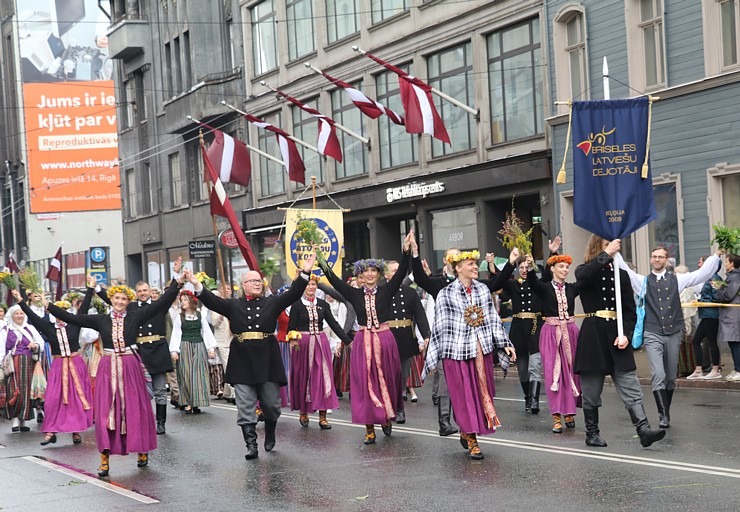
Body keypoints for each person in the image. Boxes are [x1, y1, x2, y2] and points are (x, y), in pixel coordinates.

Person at [46, 276, 185, 477]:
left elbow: (161, 303)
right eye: (116, 298)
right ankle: (104, 460)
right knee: (106, 410)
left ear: (128, 301)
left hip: (130, 365)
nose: (119, 302)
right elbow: (74, 318)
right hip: (108, 366)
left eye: (123, 299)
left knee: (135, 407)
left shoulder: (135, 317)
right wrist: (48, 305)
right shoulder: (101, 320)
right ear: (111, 299)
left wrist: (177, 284)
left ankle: (141, 449)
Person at [186, 252, 316, 460]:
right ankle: (251, 444)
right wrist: (196, 284)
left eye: (259, 280)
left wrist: (305, 273)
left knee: (272, 404)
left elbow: (292, 294)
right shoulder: (233, 305)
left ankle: (271, 429)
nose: (257, 283)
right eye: (252, 281)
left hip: (267, 358)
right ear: (243, 284)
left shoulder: (271, 302)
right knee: (245, 405)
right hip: (242, 359)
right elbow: (212, 302)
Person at [318, 232, 414, 445]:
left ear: (379, 274)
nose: (370, 275)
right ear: (360, 276)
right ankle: (369, 427)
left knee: (389, 378)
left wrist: (406, 251)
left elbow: (401, 274)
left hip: (385, 339)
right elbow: (333, 279)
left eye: (373, 271)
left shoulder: (388, 290)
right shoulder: (353, 294)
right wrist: (319, 257)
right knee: (364, 382)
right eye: (366, 272)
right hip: (363, 340)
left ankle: (387, 414)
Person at [574, 236, 666, 448]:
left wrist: (626, 333)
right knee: (591, 389)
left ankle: (643, 429)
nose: (612, 249)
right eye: (606, 245)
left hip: (617, 335)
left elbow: (630, 311)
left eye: (612, 246)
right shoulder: (585, 270)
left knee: (629, 383)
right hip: (593, 334)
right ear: (598, 248)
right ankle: (592, 432)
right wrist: (606, 255)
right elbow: (583, 277)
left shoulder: (621, 275)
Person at [424, 249, 515, 460]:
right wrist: (434, 353)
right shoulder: (446, 293)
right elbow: (440, 326)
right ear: (458, 268)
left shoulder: (483, 289)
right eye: (470, 264)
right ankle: (472, 439)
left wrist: (505, 343)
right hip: (455, 353)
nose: (475, 267)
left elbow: (492, 318)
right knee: (463, 397)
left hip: (480, 350)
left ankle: (467, 429)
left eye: (476, 263)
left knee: (483, 394)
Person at [617, 246, 722, 428]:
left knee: (670, 377)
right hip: (652, 332)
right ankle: (663, 415)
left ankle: (666, 410)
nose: (657, 259)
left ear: (666, 260)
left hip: (674, 332)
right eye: (654, 257)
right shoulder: (642, 281)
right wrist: (615, 252)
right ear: (651, 260)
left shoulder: (677, 279)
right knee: (658, 373)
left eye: (660, 257)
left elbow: (701, 274)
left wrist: (715, 256)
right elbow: (624, 271)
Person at [96, 259, 182, 435]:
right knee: (138, 392)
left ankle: (160, 423)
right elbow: (112, 299)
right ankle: (141, 421)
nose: (143, 294)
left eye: (145, 291)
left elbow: (169, 295)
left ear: (151, 291)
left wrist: (176, 277)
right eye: (140, 291)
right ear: (135, 293)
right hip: (138, 353)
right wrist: (97, 289)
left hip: (157, 350)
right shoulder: (131, 307)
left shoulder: (158, 305)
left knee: (159, 390)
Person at [13, 284, 94, 446]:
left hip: (75, 364)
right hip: (58, 366)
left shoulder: (74, 324)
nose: (59, 316)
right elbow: (33, 317)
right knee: (53, 399)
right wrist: (21, 301)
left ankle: (75, 431)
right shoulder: (49, 328)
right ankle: (51, 431)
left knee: (76, 399)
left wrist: (90, 289)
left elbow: (84, 308)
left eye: (62, 313)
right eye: (56, 313)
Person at [527, 252, 581, 434]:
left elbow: (588, 279)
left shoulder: (572, 288)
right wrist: (529, 266)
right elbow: (533, 283)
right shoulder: (544, 288)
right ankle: (556, 416)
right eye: (561, 267)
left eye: (567, 267)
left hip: (570, 331)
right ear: (552, 269)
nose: (565, 270)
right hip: (551, 333)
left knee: (572, 372)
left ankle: (569, 412)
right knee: (553, 374)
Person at [288, 275, 351, 429]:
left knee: (323, 377)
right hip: (302, 345)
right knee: (305, 377)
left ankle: (322, 416)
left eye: (313, 285)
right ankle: (304, 411)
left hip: (320, 344)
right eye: (308, 284)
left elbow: (334, 324)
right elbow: (291, 327)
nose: (311, 287)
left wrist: (348, 341)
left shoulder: (322, 304)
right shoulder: (296, 305)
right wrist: (293, 339)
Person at [383, 260, 430, 424]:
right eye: (393, 270)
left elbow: (420, 315)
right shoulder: (382, 292)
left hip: (405, 339)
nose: (397, 273)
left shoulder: (410, 293)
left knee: (402, 375)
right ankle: (388, 408)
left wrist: (426, 335)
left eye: (399, 270)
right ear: (386, 275)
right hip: (387, 338)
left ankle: (400, 408)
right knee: (388, 376)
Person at [169, 291, 218, 414]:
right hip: (185, 346)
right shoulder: (179, 317)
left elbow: (206, 332)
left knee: (199, 373)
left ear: (191, 301)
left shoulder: (199, 315)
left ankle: (197, 401)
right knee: (185, 374)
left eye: (185, 300)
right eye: (182, 300)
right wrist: (174, 350)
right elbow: (176, 334)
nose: (183, 302)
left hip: (199, 346)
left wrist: (211, 348)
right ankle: (187, 402)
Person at [2, 305, 45, 432]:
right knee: (14, 389)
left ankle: (23, 420)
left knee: (26, 390)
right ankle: (15, 419)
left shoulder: (30, 328)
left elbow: (41, 344)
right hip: (12, 364)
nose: (19, 316)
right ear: (12, 315)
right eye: (17, 314)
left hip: (28, 363)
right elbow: (1, 349)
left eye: (21, 313)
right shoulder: (6, 330)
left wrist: (35, 345)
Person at [687, 258, 723, 380]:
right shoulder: (708, 278)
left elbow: (718, 296)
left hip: (711, 314)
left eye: (702, 262)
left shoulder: (715, 278)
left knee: (711, 342)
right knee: (696, 340)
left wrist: (701, 301)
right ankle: (698, 370)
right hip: (706, 314)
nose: (699, 264)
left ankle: (715, 369)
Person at [715, 254, 740, 381]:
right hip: (731, 314)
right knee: (733, 343)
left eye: (726, 261)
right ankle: (736, 368)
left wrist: (718, 289)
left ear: (732, 263)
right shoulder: (732, 277)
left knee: (735, 343)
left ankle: (738, 370)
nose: (725, 264)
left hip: (732, 314)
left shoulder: (735, 277)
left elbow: (728, 296)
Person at [211, 283, 234, 403]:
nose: (229, 291)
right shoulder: (217, 306)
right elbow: (215, 323)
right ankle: (234, 393)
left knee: (232, 364)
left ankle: (227, 392)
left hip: (233, 339)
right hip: (222, 340)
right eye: (226, 288)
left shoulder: (231, 303)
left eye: (230, 289)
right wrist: (222, 312)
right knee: (228, 366)